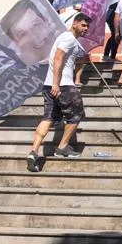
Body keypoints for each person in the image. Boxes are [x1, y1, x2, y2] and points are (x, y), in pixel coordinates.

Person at [27, 13, 90, 172]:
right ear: (74, 23)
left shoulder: (70, 40)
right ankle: (62, 147)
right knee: (76, 114)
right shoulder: (68, 38)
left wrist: (82, 57)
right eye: (83, 25)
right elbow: (58, 58)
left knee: (49, 117)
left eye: (87, 26)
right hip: (63, 85)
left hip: (49, 85)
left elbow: (67, 58)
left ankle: (33, 151)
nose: (86, 29)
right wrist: (57, 83)